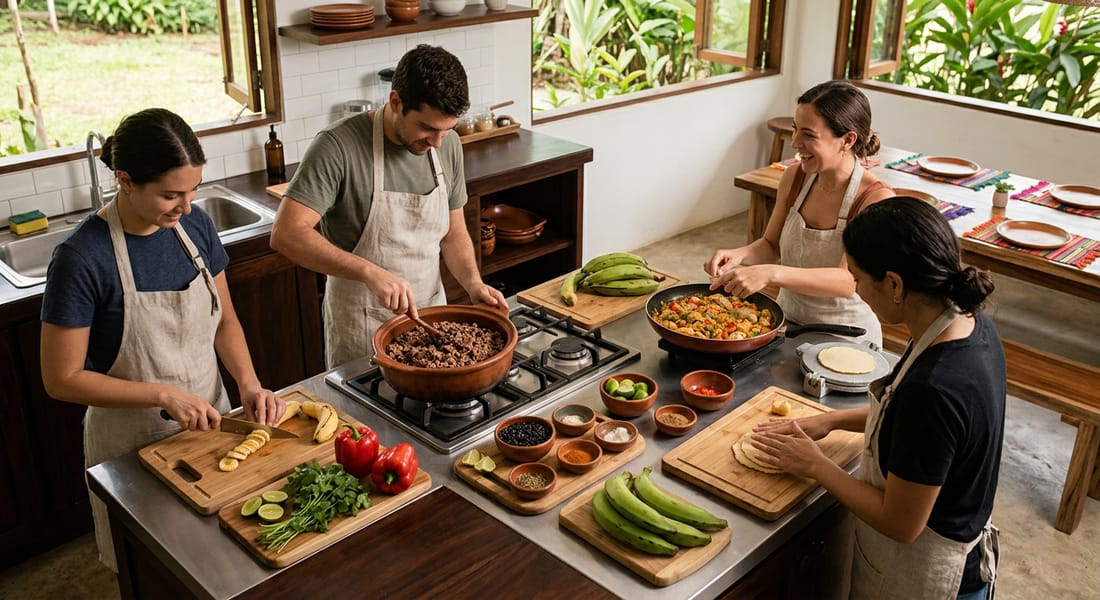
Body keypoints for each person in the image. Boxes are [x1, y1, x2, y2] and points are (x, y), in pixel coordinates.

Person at [39, 108, 285, 571]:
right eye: (170, 194)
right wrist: (163, 395)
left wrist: (250, 384)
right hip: (132, 445)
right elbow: (62, 379)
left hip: (212, 427)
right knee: (152, 573)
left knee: (220, 563)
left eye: (193, 190)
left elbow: (225, 320)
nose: (186, 206)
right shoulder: (80, 259)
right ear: (126, 180)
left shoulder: (193, 227)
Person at [752, 196, 1004, 599]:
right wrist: (832, 420)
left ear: (895, 284)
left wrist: (815, 465)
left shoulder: (935, 388)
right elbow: (914, 424)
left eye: (857, 278)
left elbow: (902, 525)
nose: (854, 291)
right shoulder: (967, 322)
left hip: (933, 577)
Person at [270, 44, 507, 369]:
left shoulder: (446, 145)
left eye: (446, 129)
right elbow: (286, 234)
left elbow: (453, 233)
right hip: (362, 329)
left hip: (432, 320)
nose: (437, 142)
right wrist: (368, 271)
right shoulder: (337, 146)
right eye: (427, 128)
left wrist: (473, 284)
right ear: (395, 102)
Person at [705, 80, 893, 345]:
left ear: (848, 140)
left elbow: (848, 280)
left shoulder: (874, 198)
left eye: (808, 135)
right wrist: (740, 255)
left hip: (846, 336)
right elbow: (770, 245)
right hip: (786, 325)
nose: (794, 143)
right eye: (795, 130)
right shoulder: (794, 178)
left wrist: (770, 273)